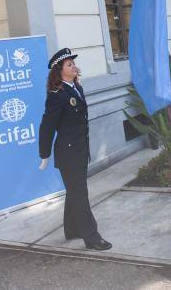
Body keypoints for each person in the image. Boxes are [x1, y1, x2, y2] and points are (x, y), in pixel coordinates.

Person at [39, 48, 111, 251]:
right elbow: (47, 126)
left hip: (79, 150)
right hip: (69, 153)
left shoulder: (75, 87)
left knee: (74, 192)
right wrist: (44, 154)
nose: (74, 67)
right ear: (59, 71)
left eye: (73, 63)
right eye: (69, 65)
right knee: (80, 195)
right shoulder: (57, 95)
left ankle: (72, 229)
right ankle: (92, 237)